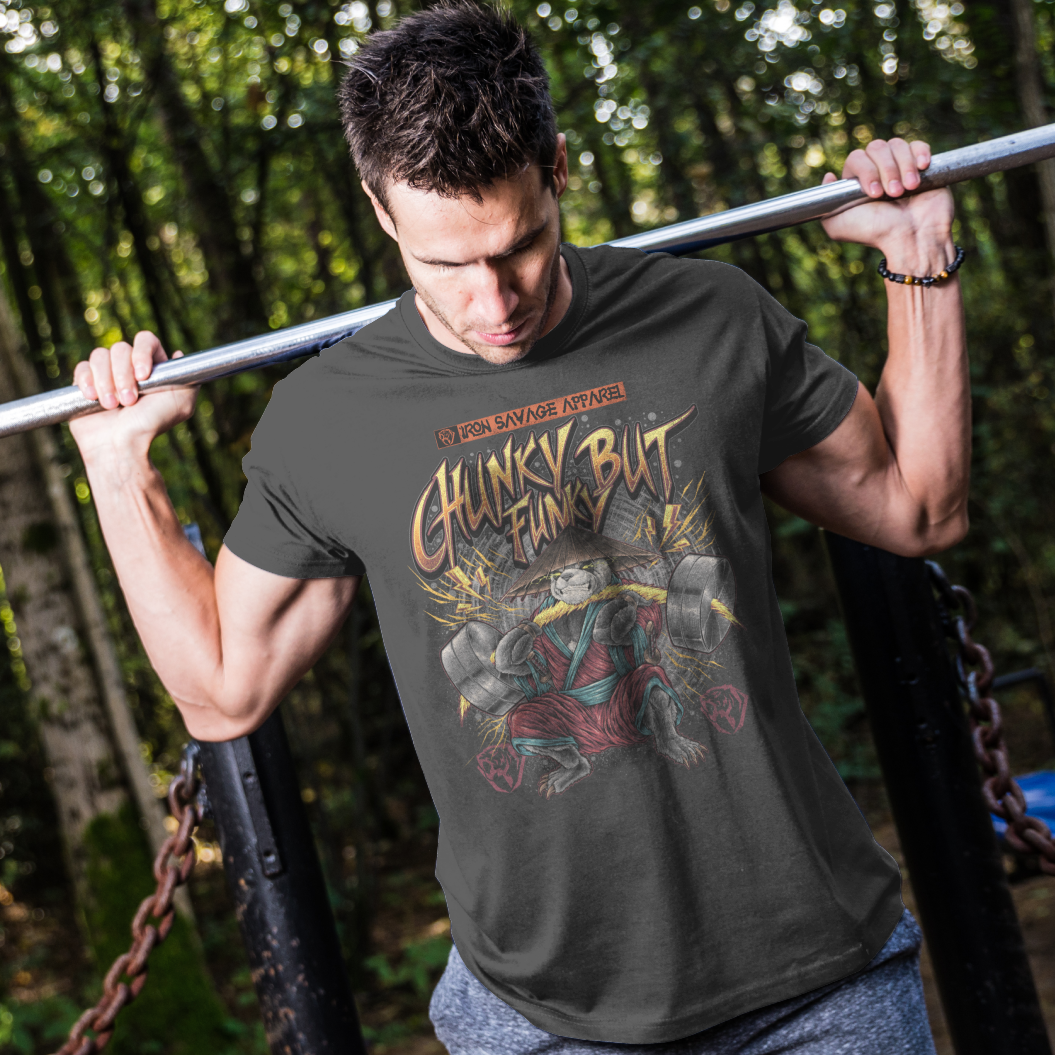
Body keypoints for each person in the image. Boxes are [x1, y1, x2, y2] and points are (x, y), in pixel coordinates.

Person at [68, 3, 966, 1052]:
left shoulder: (711, 317)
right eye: (447, 266)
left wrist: (917, 254)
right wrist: (117, 467)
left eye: (520, 246)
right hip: (544, 1014)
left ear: (558, 168)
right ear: (380, 209)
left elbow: (916, 505)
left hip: (814, 978)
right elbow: (221, 686)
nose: (494, 301)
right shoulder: (326, 420)